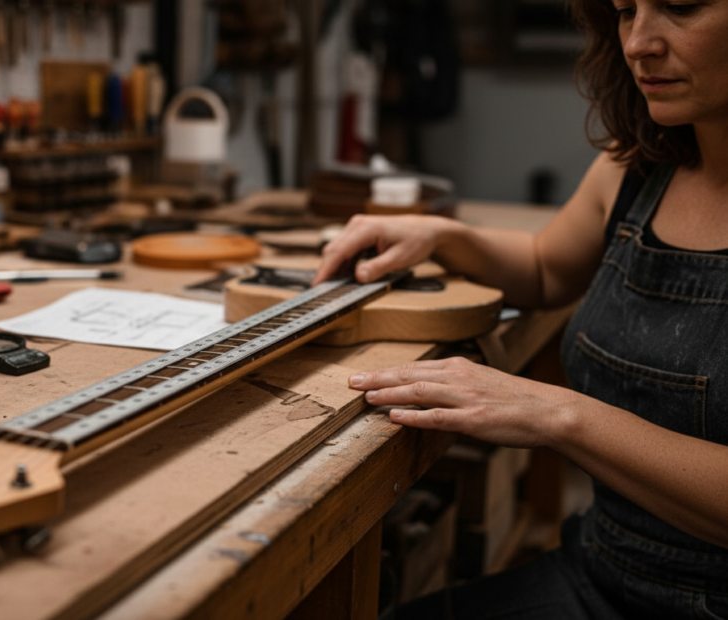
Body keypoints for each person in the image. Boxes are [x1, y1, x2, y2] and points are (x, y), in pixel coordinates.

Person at [312, 0, 728, 617]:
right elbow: (543, 267)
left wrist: (558, 415)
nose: (639, 41)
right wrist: (440, 236)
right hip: (602, 574)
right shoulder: (639, 163)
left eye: (681, 6)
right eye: (623, 11)